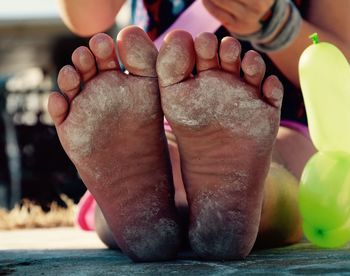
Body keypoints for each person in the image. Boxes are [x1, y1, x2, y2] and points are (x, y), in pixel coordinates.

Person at [50, 0, 350, 261]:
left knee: (268, 159)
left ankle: (153, 217)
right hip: (160, 113)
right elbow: (86, 17)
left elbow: (342, 64)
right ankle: (227, 210)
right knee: (267, 170)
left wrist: (276, 25)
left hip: (285, 114)